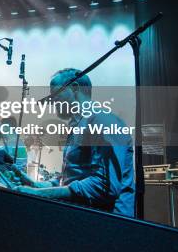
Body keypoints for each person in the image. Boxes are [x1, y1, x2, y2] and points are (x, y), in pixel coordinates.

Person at [16, 68, 135, 217]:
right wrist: (35, 185)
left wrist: (42, 194)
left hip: (108, 223)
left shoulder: (103, 120)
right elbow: (71, 178)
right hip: (85, 215)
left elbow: (105, 186)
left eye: (55, 94)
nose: (52, 101)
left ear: (74, 88)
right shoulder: (76, 125)